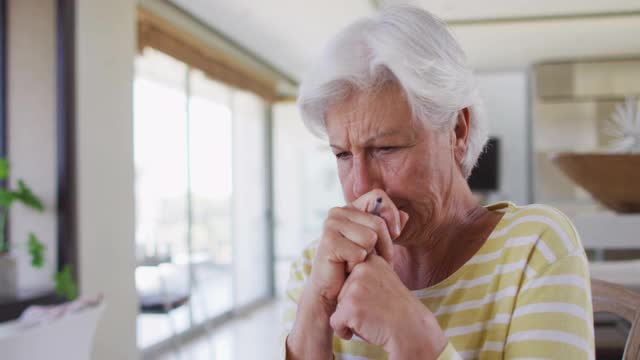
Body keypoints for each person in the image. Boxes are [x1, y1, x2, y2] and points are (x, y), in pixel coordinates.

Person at [282, 5, 594, 359]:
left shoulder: (534, 248)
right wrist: (313, 318)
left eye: (386, 148)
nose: (361, 186)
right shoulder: (315, 267)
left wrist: (412, 336)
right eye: (342, 155)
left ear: (457, 132)